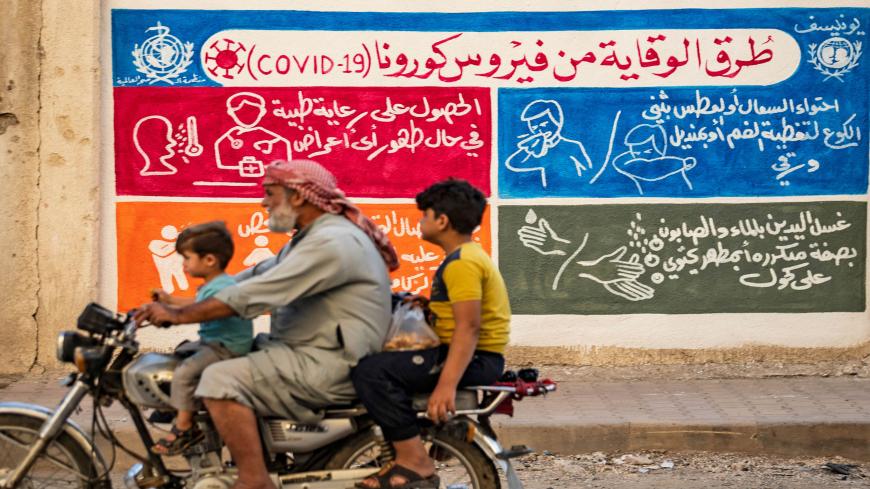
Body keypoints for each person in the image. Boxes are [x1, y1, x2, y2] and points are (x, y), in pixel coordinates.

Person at [134, 159, 398, 489]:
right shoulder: (310, 238)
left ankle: (253, 479)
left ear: (298, 196)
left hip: (326, 361)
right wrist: (172, 303)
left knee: (219, 378)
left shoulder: (331, 242)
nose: (263, 202)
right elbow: (249, 280)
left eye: (269, 193)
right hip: (307, 350)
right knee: (197, 356)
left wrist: (179, 316)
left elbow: (257, 294)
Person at [351, 179, 510, 489]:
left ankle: (413, 458)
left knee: (371, 373)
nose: (420, 222)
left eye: (424, 215)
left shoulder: (462, 264)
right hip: (473, 355)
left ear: (442, 220)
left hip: (474, 358)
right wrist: (429, 306)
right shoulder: (466, 258)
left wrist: (446, 386)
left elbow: (469, 326)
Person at [148, 221, 254, 455]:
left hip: (226, 347)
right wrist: (168, 300)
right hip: (214, 342)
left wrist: (172, 315)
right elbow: (196, 304)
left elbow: (201, 310)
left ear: (209, 260)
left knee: (185, 372)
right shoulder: (213, 284)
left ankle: (184, 425)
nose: (183, 265)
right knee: (176, 357)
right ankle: (188, 408)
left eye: (186, 258)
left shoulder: (223, 286)